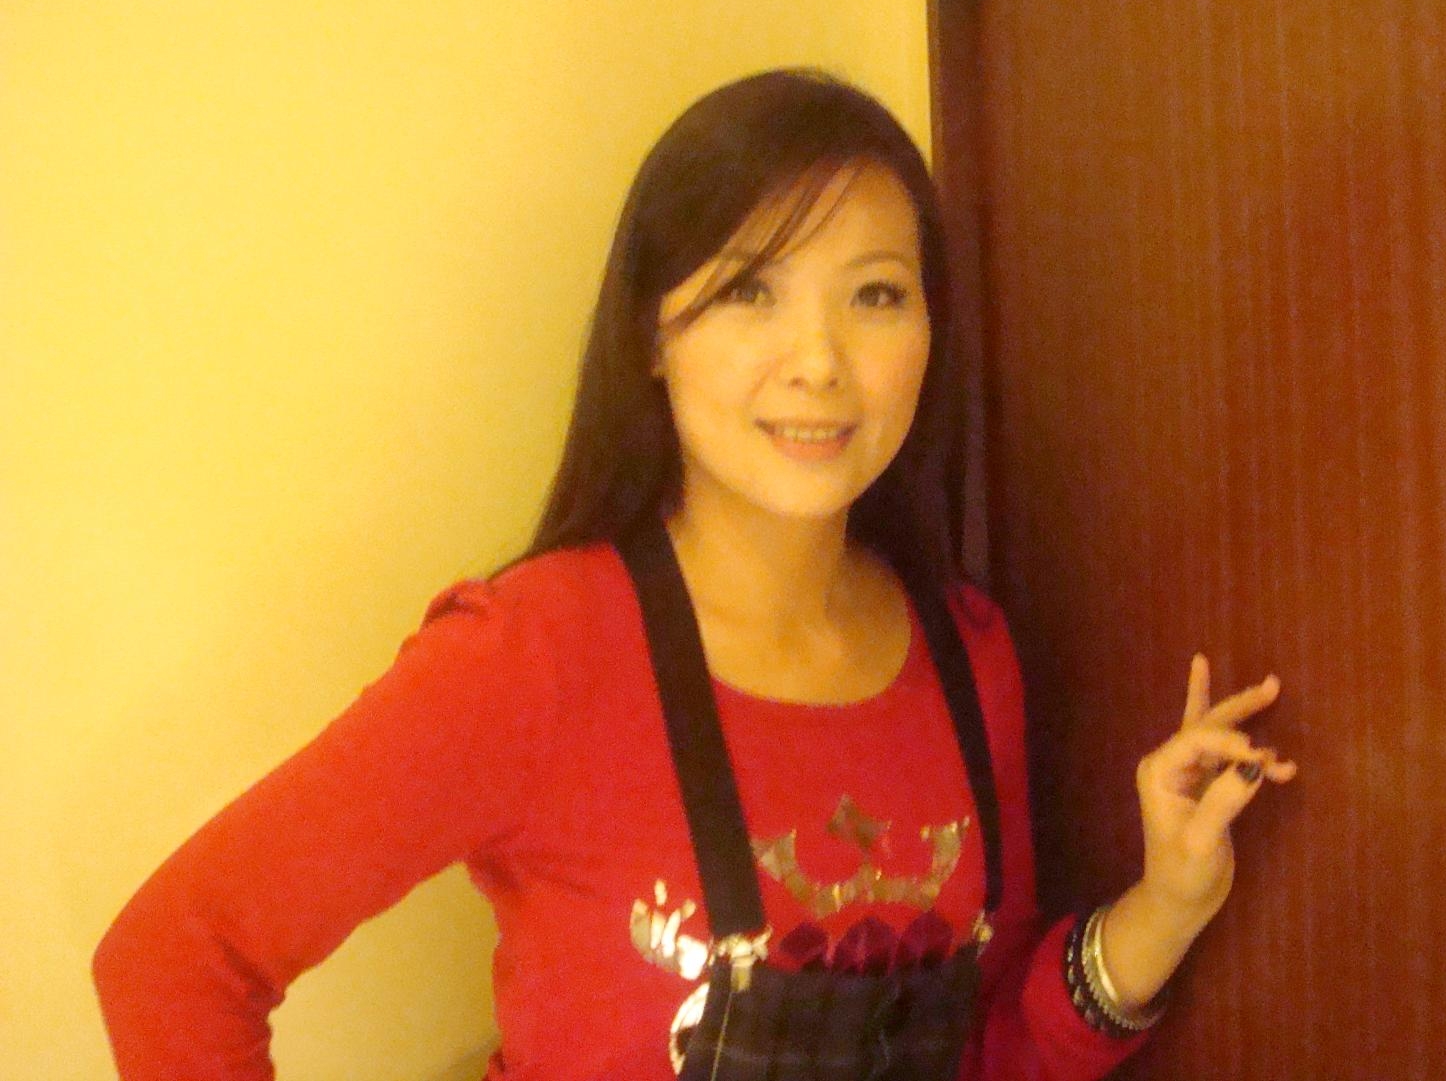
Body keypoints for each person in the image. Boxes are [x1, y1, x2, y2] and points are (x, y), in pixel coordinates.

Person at [91, 67, 1297, 1080]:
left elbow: (992, 1048)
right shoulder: (536, 653)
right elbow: (172, 963)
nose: (819, 361)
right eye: (750, 290)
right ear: (652, 336)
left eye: (876, 294)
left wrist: (1170, 903)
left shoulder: (968, 652)